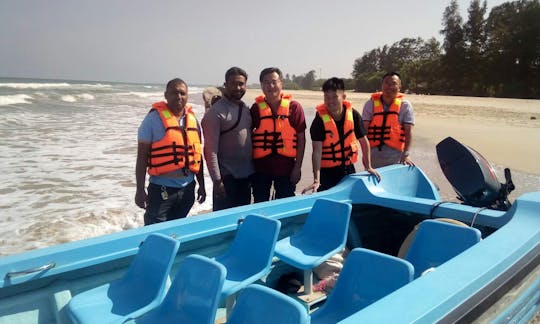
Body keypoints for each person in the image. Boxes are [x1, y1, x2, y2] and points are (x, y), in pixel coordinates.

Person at [135, 78, 206, 225]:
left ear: (187, 96)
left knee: (176, 231)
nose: (179, 97)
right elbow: (142, 158)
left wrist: (202, 186)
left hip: (188, 190)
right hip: (162, 191)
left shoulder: (193, 120)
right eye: (174, 93)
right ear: (166, 95)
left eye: (182, 93)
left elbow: (197, 155)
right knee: (155, 232)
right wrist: (140, 190)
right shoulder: (152, 119)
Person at [303, 77, 380, 193]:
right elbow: (316, 152)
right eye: (327, 98)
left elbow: (364, 142)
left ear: (343, 97)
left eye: (334, 97)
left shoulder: (353, 115)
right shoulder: (319, 120)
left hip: (348, 169)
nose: (330, 101)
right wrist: (316, 180)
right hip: (327, 172)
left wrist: (368, 166)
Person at [250, 67, 306, 202]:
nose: (271, 86)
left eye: (274, 82)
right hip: (261, 168)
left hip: (286, 168)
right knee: (260, 204)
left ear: (281, 83)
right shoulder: (256, 109)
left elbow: (301, 139)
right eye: (266, 82)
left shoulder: (294, 107)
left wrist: (297, 168)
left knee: (285, 205)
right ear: (261, 85)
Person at [202, 67, 254, 211]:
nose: (238, 88)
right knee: (223, 224)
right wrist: (217, 181)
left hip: (246, 177)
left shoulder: (246, 110)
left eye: (241, 84)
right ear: (226, 85)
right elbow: (210, 151)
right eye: (233, 84)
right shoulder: (216, 112)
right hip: (226, 178)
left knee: (242, 220)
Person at [362, 72, 415, 167]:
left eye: (393, 83)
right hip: (373, 155)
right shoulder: (370, 104)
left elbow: (408, 132)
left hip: (397, 156)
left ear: (399, 87)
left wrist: (406, 154)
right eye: (386, 83)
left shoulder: (405, 106)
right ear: (382, 85)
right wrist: (365, 155)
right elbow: (364, 131)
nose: (389, 86)